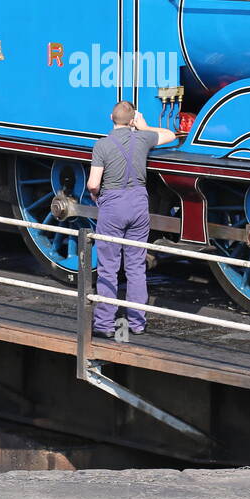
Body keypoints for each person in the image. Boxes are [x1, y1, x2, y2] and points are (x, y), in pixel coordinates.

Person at [87, 101, 176, 340]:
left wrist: (96, 196)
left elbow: (93, 183)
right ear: (132, 120)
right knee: (136, 266)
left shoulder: (102, 145)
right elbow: (171, 135)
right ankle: (137, 323)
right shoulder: (143, 139)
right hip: (138, 203)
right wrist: (145, 127)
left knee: (109, 266)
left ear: (111, 117)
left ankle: (105, 324)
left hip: (113, 205)